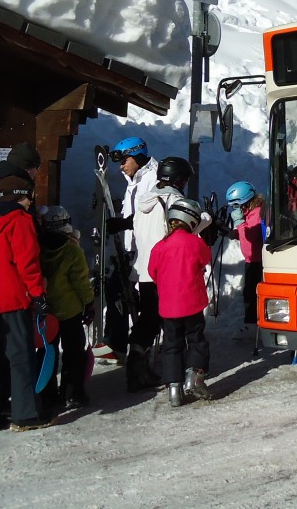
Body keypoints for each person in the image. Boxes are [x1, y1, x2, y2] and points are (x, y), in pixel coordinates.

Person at [0, 142, 51, 435]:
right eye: (27, 196)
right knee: (20, 357)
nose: (30, 201)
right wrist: (38, 295)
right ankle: (25, 414)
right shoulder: (19, 222)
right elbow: (28, 264)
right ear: (19, 195)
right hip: (14, 300)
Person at [126, 155, 192, 392]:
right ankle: (175, 371)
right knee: (173, 322)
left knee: (148, 320)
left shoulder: (145, 200)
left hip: (144, 270)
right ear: (178, 180)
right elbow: (182, 231)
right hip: (165, 271)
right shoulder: (174, 200)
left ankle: (136, 367)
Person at [148, 196, 213, 408]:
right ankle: (194, 375)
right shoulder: (196, 243)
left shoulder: (160, 246)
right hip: (192, 301)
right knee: (196, 339)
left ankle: (173, 388)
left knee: (171, 345)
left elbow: (153, 271)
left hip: (169, 306)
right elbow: (205, 259)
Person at [102, 136, 158, 362]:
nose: (121, 165)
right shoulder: (134, 179)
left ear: (137, 156)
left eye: (124, 159)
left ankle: (139, 346)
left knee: (148, 302)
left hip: (148, 252)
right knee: (116, 290)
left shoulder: (153, 177)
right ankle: (117, 344)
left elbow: (152, 213)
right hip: (131, 250)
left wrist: (125, 223)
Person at [37, 205, 94, 412]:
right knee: (73, 353)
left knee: (47, 351)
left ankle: (48, 394)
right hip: (70, 310)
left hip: (47, 311)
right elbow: (81, 281)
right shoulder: (71, 250)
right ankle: (72, 392)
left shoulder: (39, 248)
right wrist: (89, 303)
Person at [224, 181, 265, 329]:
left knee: (250, 294)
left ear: (244, 202)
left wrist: (240, 223)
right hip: (252, 258)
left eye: (235, 205)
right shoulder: (251, 212)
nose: (234, 209)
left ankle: (252, 324)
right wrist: (232, 233)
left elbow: (251, 236)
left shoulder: (256, 213)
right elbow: (245, 233)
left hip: (256, 260)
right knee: (249, 291)